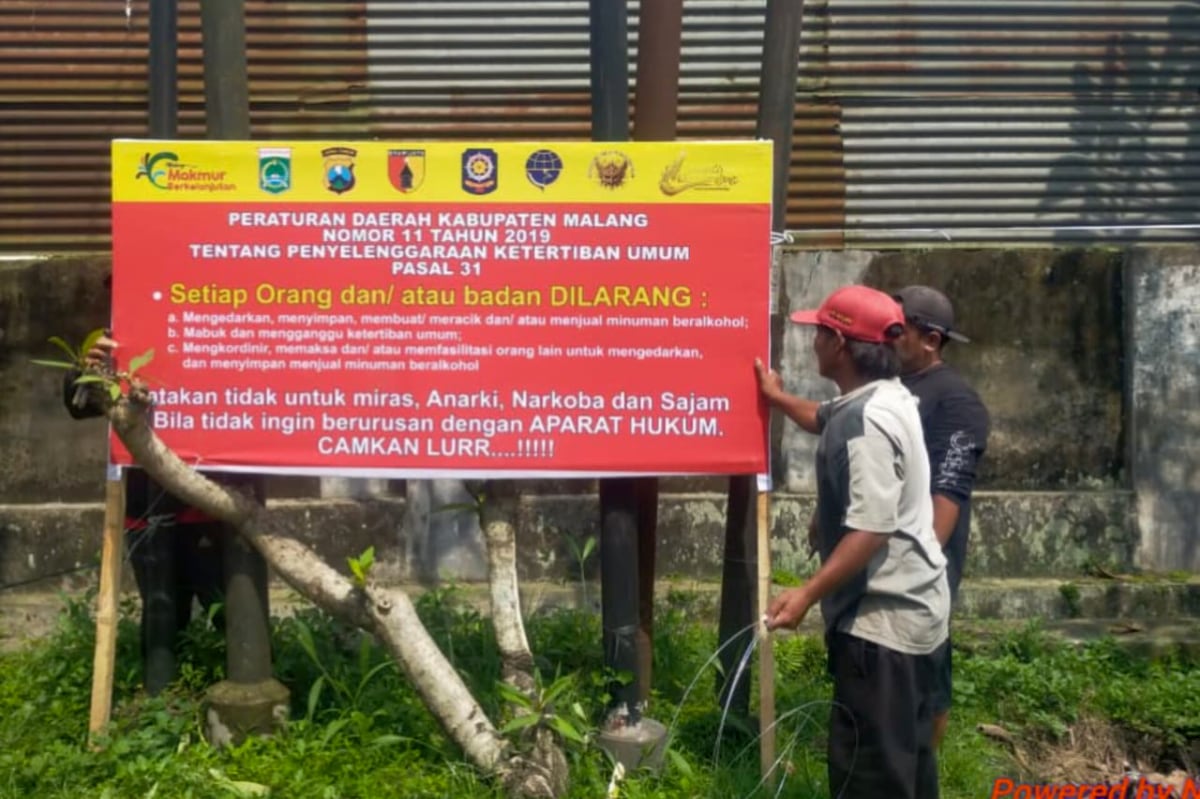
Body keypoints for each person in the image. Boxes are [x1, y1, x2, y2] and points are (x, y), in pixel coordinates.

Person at [757, 284, 950, 799]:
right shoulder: (886, 397)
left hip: (882, 630)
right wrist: (776, 399)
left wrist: (805, 593)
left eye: (819, 331)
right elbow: (823, 418)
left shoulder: (867, 424)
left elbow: (872, 528)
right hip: (918, 614)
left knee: (871, 777)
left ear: (838, 344)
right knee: (908, 766)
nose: (814, 341)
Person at [63, 320, 226, 695]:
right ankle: (161, 707)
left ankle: (237, 701)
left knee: (232, 611)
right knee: (161, 614)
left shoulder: (216, 319)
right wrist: (84, 370)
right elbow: (78, 404)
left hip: (216, 503)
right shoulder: (115, 339)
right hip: (147, 506)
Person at [890, 285, 990, 749]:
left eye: (897, 329)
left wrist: (922, 561)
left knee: (925, 660)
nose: (886, 336)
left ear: (930, 340)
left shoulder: (955, 401)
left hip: (922, 560)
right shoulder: (893, 387)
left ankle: (922, 761)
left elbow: (949, 488)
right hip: (883, 550)